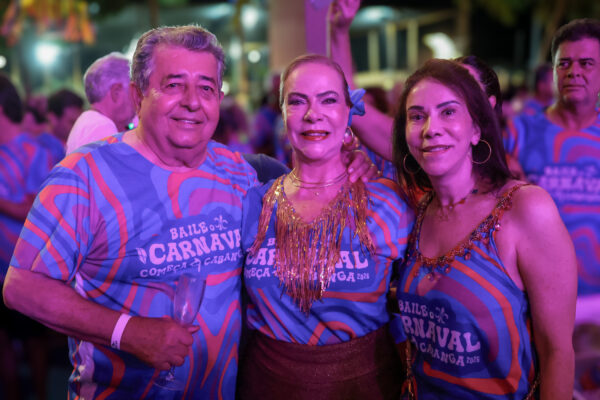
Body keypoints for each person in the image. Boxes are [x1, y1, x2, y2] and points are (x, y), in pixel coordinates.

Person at [2, 24, 377, 399]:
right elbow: (22, 286)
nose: (193, 102)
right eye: (173, 85)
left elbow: (309, 200)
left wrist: (348, 164)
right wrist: (126, 331)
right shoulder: (84, 176)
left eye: (206, 88)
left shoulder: (241, 173)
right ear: (137, 95)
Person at [392, 58, 576, 399]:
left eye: (448, 112)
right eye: (417, 116)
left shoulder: (525, 208)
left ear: (477, 128)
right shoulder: (416, 211)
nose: (431, 129)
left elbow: (558, 354)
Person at [238, 54, 414, 399]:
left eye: (328, 100)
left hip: (366, 386)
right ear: (282, 113)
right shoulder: (252, 203)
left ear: (349, 112)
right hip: (265, 384)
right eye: (297, 101)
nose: (312, 114)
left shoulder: (389, 203)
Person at [504, 19, 600, 302]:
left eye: (586, 63)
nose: (573, 72)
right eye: (564, 63)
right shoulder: (519, 131)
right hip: (534, 296)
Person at [66, 52, 136, 154]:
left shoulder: (90, 122)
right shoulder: (101, 127)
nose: (138, 99)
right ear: (116, 92)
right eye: (133, 91)